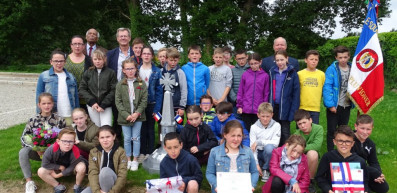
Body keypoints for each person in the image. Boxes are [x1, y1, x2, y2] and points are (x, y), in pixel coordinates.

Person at [20, 93, 66, 193]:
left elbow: (65, 138)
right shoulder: (32, 120)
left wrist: (50, 150)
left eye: (49, 103)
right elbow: (24, 138)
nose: (46, 106)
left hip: (55, 153)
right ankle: (29, 182)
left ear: (53, 104)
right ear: (39, 105)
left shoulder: (59, 120)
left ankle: (52, 171)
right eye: (43, 103)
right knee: (23, 152)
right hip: (37, 152)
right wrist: (37, 149)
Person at [206, 120, 259, 193]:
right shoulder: (214, 152)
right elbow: (210, 173)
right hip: (222, 190)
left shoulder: (248, 152)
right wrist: (217, 185)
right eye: (233, 135)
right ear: (225, 135)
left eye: (239, 136)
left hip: (242, 189)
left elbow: (254, 172)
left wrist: (251, 185)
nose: (236, 139)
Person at [115, 57, 148, 171]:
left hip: (138, 117)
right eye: (127, 69)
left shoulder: (141, 83)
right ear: (123, 70)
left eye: (132, 68)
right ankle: (128, 159)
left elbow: (144, 100)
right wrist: (126, 115)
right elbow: (118, 102)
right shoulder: (120, 84)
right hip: (125, 117)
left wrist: (136, 113)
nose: (130, 71)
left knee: (136, 138)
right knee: (127, 138)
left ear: (136, 69)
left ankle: (135, 160)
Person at [315, 125, 369, 193]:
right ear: (334, 142)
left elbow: (365, 180)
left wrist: (365, 191)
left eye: (348, 141)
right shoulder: (328, 157)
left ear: (352, 143)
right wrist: (328, 190)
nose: (344, 144)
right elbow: (319, 177)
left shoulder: (360, 161)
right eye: (340, 141)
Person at [36, 49, 79, 126]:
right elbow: (39, 96)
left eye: (61, 61)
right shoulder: (44, 76)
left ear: (65, 62)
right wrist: (39, 114)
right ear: (51, 62)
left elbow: (76, 97)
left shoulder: (71, 77)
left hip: (68, 114)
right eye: (56, 61)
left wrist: (77, 113)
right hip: (52, 115)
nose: (59, 63)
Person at [323, 46, 354, 152]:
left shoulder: (353, 69)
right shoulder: (332, 69)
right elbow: (327, 87)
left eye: (345, 57)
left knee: (343, 129)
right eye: (340, 57)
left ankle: (342, 150)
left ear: (349, 57)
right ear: (336, 58)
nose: (343, 60)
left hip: (347, 104)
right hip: (335, 105)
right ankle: (331, 152)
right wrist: (330, 105)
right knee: (332, 130)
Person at [37, 128, 87, 193]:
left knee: (82, 167)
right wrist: (59, 167)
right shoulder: (51, 149)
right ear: (58, 141)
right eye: (64, 141)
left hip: (72, 168)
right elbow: (44, 164)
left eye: (70, 141)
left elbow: (71, 167)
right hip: (58, 168)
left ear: (74, 142)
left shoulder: (76, 151)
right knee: (41, 171)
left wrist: (58, 175)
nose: (67, 144)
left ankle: (77, 187)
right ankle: (59, 187)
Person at [107, 27, 135, 140]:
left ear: (129, 38)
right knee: (118, 117)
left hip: (133, 90)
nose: (123, 38)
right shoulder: (110, 54)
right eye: (121, 36)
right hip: (117, 90)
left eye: (125, 36)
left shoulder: (136, 53)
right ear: (117, 38)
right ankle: (117, 143)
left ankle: (134, 143)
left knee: (133, 117)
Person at [81, 125, 128, 193]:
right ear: (98, 139)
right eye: (102, 137)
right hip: (98, 185)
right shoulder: (93, 152)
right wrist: (97, 191)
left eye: (108, 137)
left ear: (114, 137)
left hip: (115, 186)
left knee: (105, 172)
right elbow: (93, 173)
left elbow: (122, 175)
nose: (105, 140)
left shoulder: (121, 152)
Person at [268, 50, 300, 146]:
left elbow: (296, 94)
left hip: (286, 107)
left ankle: (285, 151)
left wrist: (293, 111)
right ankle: (275, 153)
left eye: (282, 59)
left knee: (285, 131)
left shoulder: (293, 73)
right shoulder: (272, 72)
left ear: (287, 59)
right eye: (277, 60)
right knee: (274, 131)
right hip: (274, 107)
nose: (279, 62)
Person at [79, 49, 117, 127]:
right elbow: (82, 88)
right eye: (95, 59)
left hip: (106, 106)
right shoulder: (88, 72)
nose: (97, 61)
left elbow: (114, 89)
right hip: (92, 106)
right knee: (96, 128)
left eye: (100, 59)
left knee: (106, 127)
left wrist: (104, 104)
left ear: (104, 59)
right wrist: (92, 101)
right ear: (92, 60)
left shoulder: (110, 72)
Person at [351, 114, 389, 193]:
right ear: (356, 126)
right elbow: (351, 162)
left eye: (368, 129)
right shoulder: (348, 140)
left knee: (384, 188)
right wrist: (373, 172)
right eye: (362, 128)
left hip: (364, 171)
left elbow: (373, 162)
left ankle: (366, 184)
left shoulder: (371, 144)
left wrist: (378, 175)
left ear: (372, 128)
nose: (365, 132)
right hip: (350, 170)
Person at [139, 45, 163, 159]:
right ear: (141, 55)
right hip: (139, 105)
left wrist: (157, 109)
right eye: (144, 53)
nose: (146, 56)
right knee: (141, 128)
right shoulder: (137, 70)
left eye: (149, 54)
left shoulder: (157, 71)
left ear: (152, 56)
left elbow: (159, 91)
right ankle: (142, 152)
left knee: (151, 128)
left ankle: (150, 152)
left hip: (152, 104)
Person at [237, 52, 269, 131]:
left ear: (260, 62)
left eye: (256, 63)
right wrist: (240, 106)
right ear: (248, 64)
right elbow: (241, 91)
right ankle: (246, 143)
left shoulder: (265, 76)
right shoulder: (245, 75)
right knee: (245, 130)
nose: (254, 66)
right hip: (246, 109)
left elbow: (266, 93)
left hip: (258, 109)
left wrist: (264, 108)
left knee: (258, 130)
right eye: (251, 64)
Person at [249, 102, 281, 182]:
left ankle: (266, 169)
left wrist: (259, 142)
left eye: (268, 116)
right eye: (263, 116)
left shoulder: (276, 125)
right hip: (258, 152)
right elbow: (252, 147)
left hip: (270, 152)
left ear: (272, 115)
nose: (265, 119)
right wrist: (256, 164)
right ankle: (259, 165)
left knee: (269, 148)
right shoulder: (253, 127)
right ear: (258, 115)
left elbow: (275, 143)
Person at [293, 109, 323, 192]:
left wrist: (301, 148)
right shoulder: (297, 133)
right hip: (300, 156)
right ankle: (299, 178)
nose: (302, 126)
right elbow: (293, 148)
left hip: (311, 155)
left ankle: (310, 180)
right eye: (299, 124)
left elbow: (316, 146)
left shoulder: (318, 129)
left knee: (312, 154)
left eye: (304, 122)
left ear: (310, 120)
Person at [297, 50, 325, 124]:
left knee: (313, 129)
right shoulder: (299, 74)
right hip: (302, 107)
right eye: (311, 59)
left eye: (316, 60)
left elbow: (324, 90)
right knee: (301, 129)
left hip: (315, 108)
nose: (314, 61)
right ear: (306, 60)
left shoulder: (322, 74)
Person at [161, 47, 187, 119]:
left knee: (178, 127)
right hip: (163, 106)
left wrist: (182, 107)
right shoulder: (161, 72)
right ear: (166, 59)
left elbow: (184, 90)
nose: (173, 63)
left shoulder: (180, 73)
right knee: (163, 126)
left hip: (177, 106)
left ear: (178, 59)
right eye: (171, 60)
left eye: (175, 60)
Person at [229, 49, 249, 120]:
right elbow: (229, 86)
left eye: (243, 58)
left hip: (249, 102)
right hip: (236, 103)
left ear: (247, 56)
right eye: (239, 59)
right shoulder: (232, 71)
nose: (241, 61)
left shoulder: (251, 69)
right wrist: (235, 99)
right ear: (235, 59)